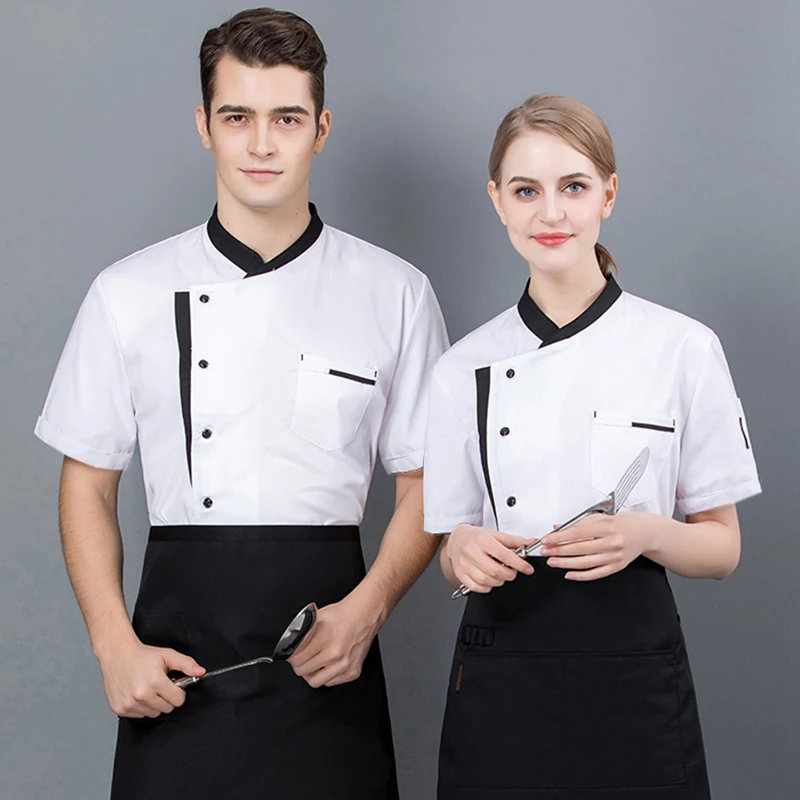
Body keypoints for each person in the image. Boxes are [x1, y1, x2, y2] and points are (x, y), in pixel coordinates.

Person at [34, 8, 448, 799]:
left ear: (321, 129)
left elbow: (427, 481)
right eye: (237, 117)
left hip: (330, 659)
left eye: (286, 118)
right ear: (204, 126)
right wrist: (112, 644)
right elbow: (87, 485)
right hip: (175, 665)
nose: (262, 144)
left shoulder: (395, 292)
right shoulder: (127, 293)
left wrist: (368, 612)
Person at [423, 93, 760, 798]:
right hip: (501, 672)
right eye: (526, 191)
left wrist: (643, 533)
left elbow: (723, 548)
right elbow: (450, 548)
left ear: (608, 194)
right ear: (497, 201)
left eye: (573, 187)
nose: (551, 213)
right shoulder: (462, 367)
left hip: (632, 671)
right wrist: (464, 550)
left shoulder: (683, 348)